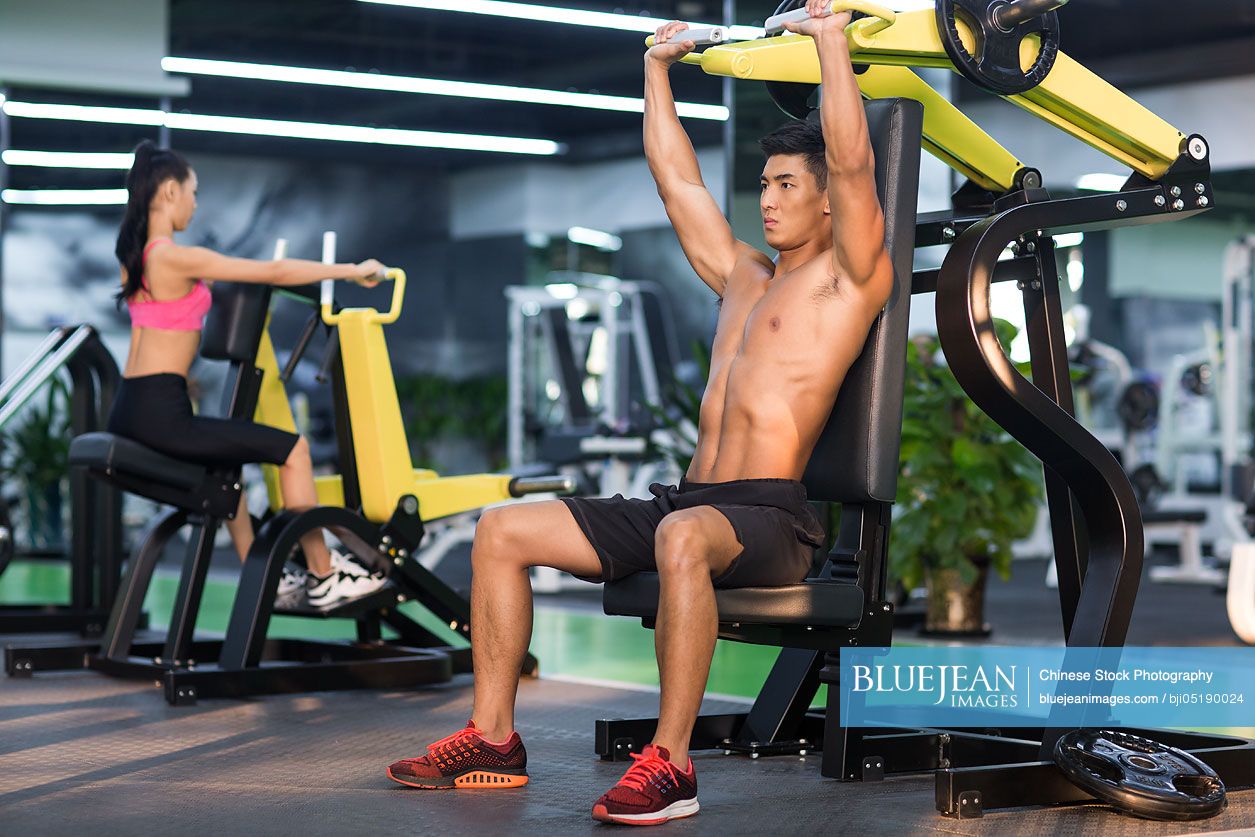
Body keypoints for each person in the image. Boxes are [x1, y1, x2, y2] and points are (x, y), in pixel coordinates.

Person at [386, 3, 891, 824]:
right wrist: (656, 70)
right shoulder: (741, 276)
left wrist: (830, 41)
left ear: (828, 200)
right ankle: (492, 735)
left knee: (679, 537)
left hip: (767, 516)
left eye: (786, 185)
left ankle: (671, 762)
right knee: (500, 531)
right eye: (763, 184)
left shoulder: (850, 279)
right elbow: (677, 179)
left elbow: (856, 159)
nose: (766, 200)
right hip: (686, 503)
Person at [109, 139, 388, 608]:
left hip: (132, 406)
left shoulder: (135, 260)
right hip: (162, 411)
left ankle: (264, 582)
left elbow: (163, 327)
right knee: (294, 450)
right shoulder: (174, 256)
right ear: (170, 193)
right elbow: (273, 271)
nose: (196, 205)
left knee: (227, 473)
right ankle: (324, 576)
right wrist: (351, 271)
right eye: (193, 193)